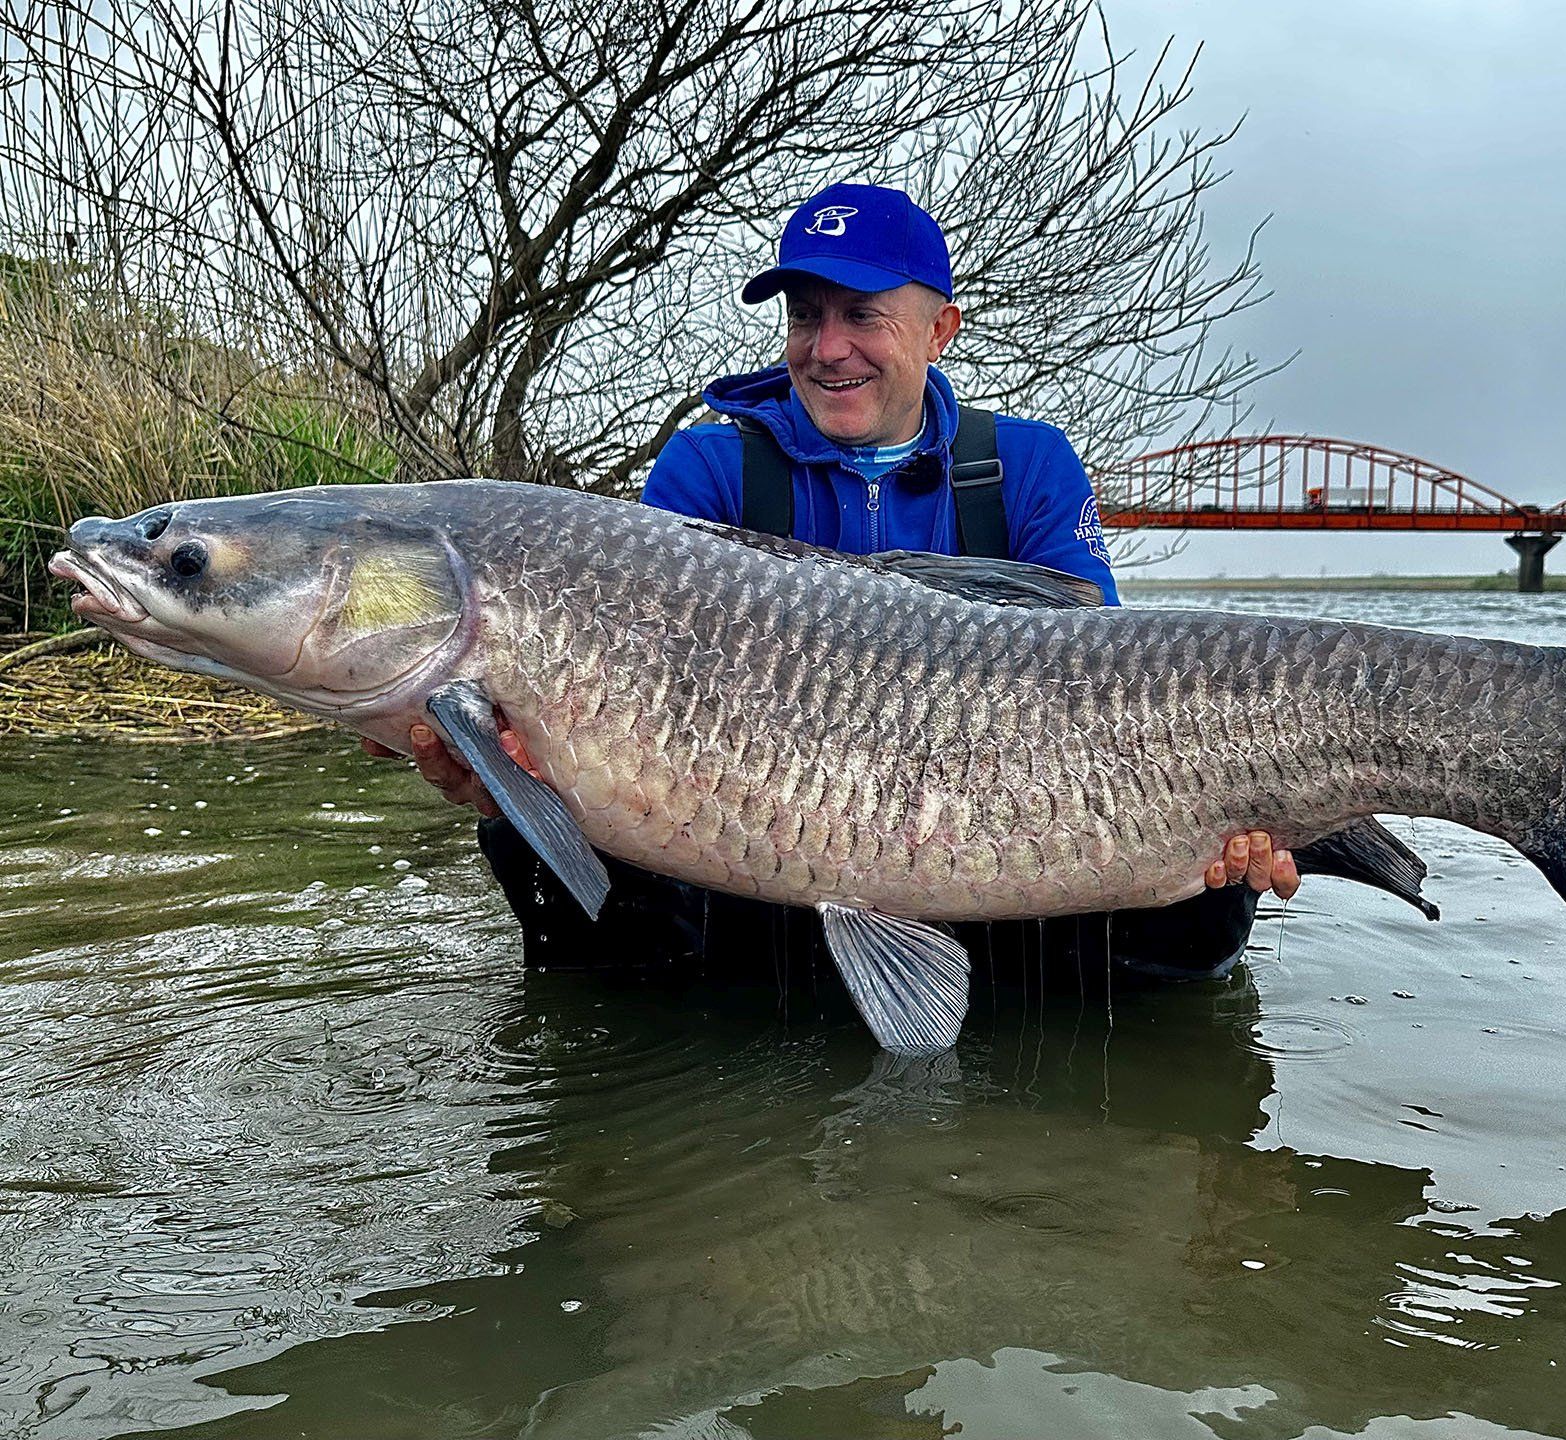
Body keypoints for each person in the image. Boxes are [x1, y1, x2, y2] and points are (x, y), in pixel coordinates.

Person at [372, 183, 1299, 986]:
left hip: (1005, 825)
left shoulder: (1027, 465)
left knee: (1207, 876)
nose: (827, 347)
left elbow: (1105, 680)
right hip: (756, 841)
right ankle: (666, 1059)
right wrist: (509, 763)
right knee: (535, 829)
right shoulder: (707, 468)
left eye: (861, 314)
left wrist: (1234, 809)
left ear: (940, 329)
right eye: (805, 316)